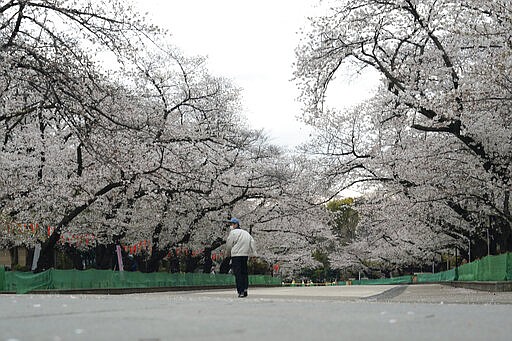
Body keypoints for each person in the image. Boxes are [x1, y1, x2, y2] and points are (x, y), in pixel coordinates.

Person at [225, 217, 257, 298]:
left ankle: (241, 291)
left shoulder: (233, 233)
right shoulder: (246, 233)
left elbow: (229, 244)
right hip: (245, 255)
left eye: (232, 224)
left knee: (238, 273)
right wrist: (254, 254)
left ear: (236, 224)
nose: (231, 226)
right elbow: (252, 242)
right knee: (244, 272)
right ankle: (245, 288)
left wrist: (228, 254)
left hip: (236, 255)